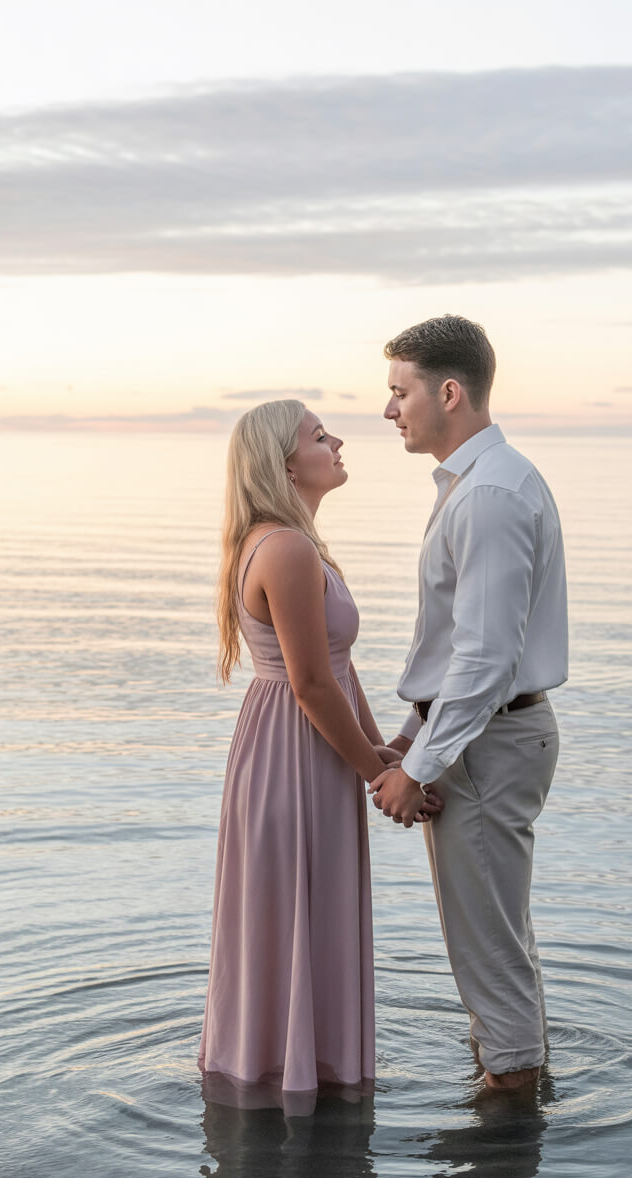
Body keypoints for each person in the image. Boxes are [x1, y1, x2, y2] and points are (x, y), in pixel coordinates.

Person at [198, 397, 439, 1107]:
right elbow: (309, 683)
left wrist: (390, 761)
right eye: (318, 435)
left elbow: (336, 673)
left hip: (294, 744)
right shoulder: (287, 548)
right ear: (284, 464)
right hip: (293, 751)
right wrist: (379, 774)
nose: (337, 441)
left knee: (291, 909)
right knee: (299, 904)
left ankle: (280, 1064)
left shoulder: (283, 543)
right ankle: (297, 1076)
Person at [369, 315, 568, 1092]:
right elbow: (463, 649)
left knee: (488, 952)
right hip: (487, 738)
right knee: (497, 943)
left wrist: (419, 767)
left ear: (450, 392)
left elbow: (485, 660)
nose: (390, 411)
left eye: (399, 392)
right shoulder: (481, 483)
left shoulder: (487, 495)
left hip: (490, 745)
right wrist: (413, 731)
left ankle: (506, 1136)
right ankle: (513, 1085)